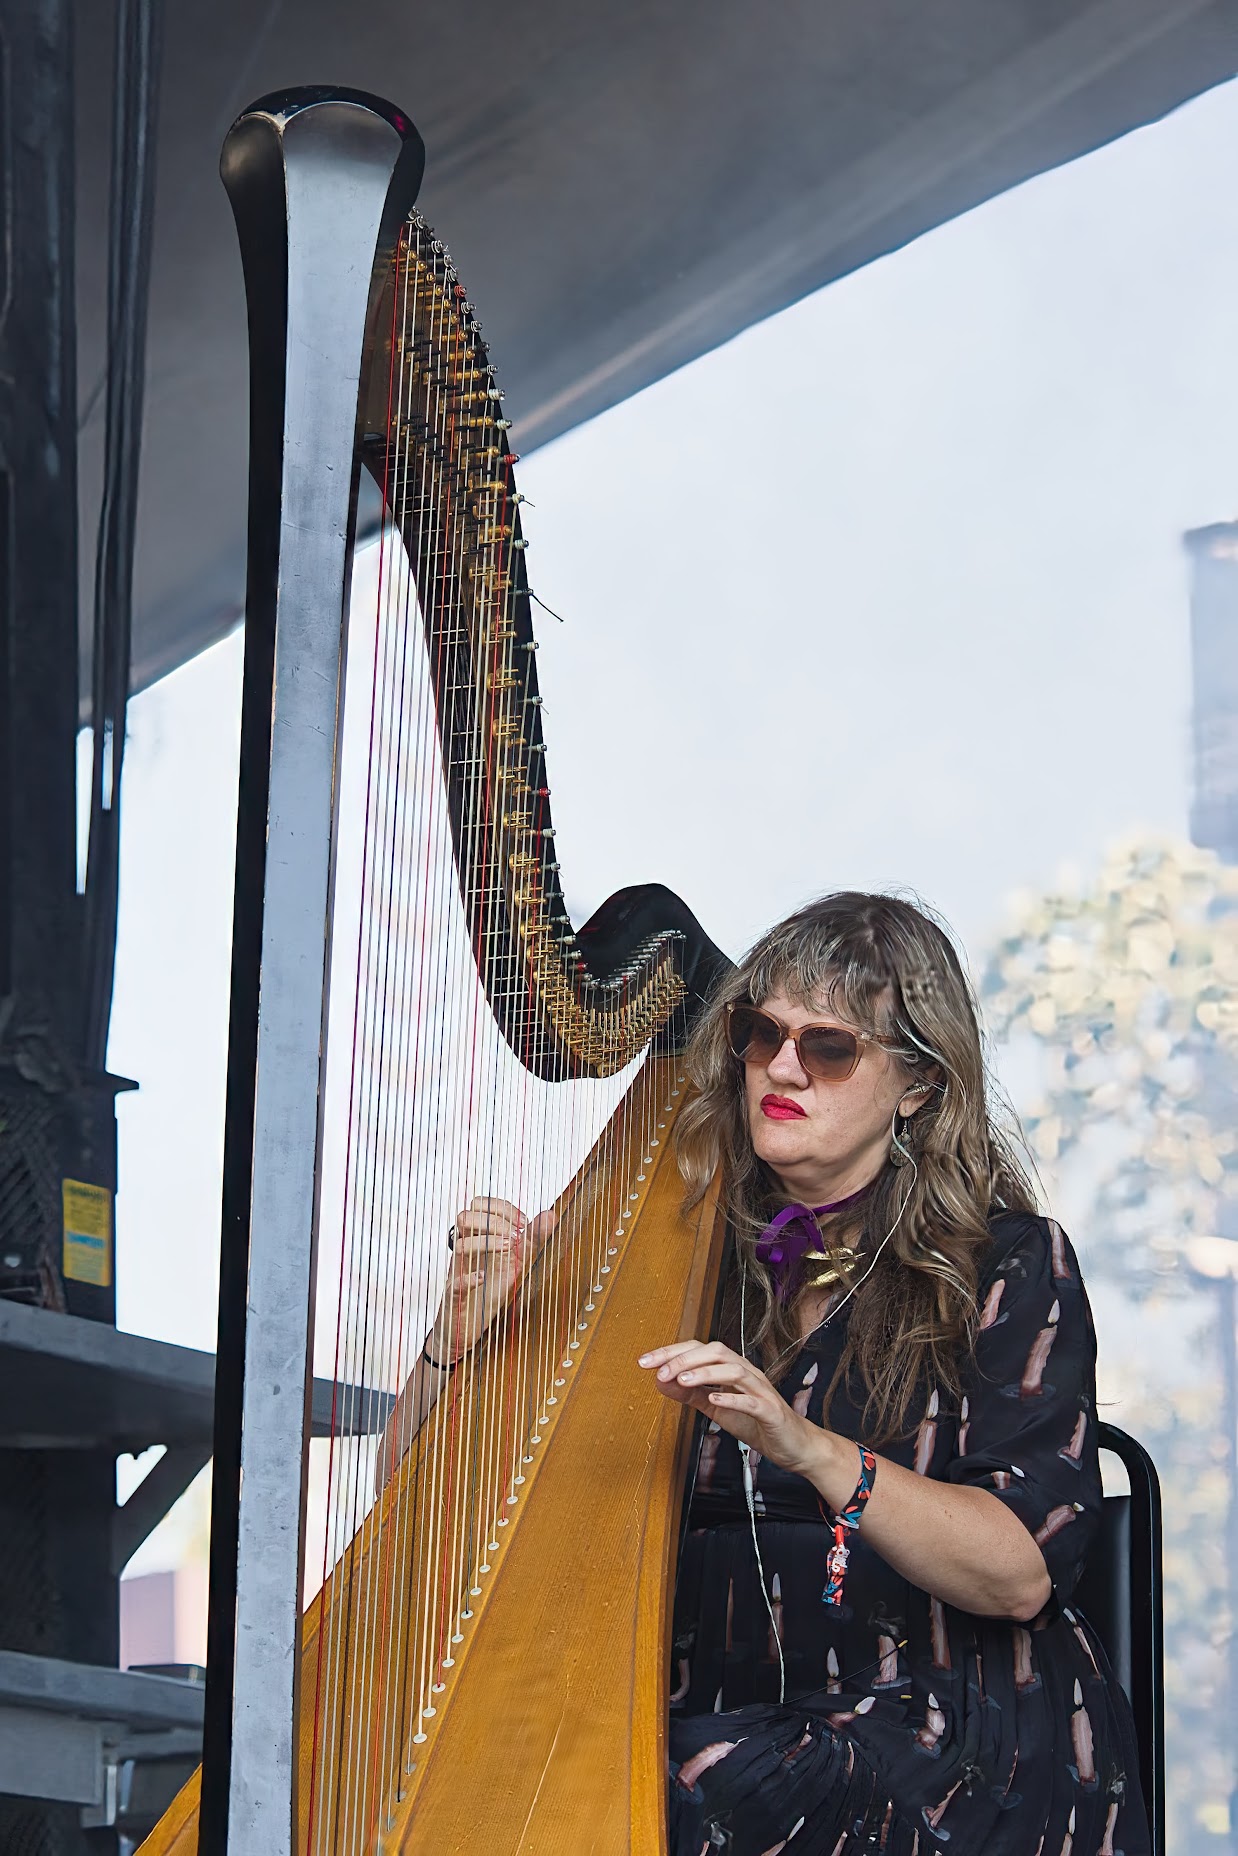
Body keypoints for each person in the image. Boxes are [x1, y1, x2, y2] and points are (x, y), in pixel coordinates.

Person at [394, 892, 1150, 1856]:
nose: (781, 1069)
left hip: (941, 1740)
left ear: (916, 1084)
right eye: (760, 1033)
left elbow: (1017, 1577)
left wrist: (806, 1447)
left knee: (684, 1792)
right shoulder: (679, 1252)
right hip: (714, 1721)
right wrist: (452, 1347)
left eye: (829, 1048)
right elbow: (424, 1511)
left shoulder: (1002, 1263)